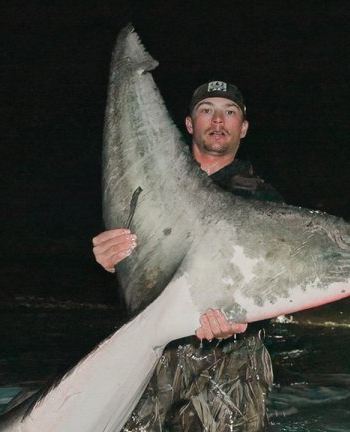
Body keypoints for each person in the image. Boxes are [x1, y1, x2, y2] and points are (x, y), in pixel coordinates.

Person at [92, 81, 282, 431]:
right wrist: (108, 261)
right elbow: (131, 281)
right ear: (190, 124)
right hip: (153, 350)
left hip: (233, 357)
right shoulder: (146, 192)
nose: (218, 120)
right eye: (207, 109)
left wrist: (243, 319)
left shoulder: (267, 203)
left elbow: (278, 285)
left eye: (230, 112)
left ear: (243, 127)